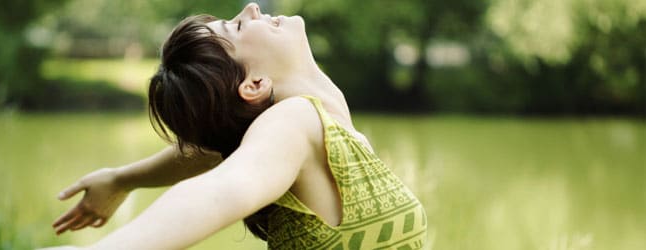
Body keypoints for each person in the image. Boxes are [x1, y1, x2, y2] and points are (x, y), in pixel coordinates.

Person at [47, 3, 427, 249]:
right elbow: (224, 188)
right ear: (254, 84)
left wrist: (121, 179)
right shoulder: (293, 121)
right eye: (238, 29)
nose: (251, 8)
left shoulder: (316, 126)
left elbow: (215, 153)